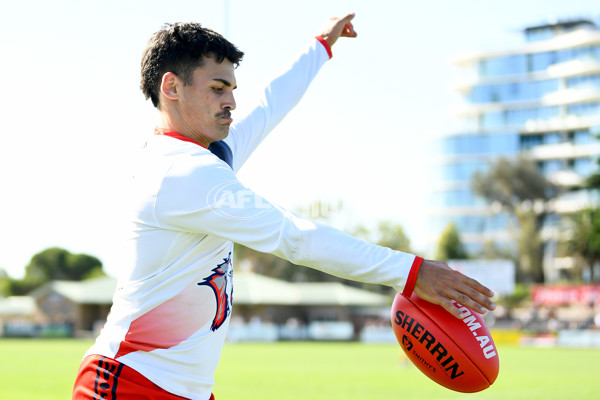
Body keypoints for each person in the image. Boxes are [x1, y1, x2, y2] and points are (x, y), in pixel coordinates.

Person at [72, 13, 495, 400]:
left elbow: (270, 106)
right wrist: (412, 271)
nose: (231, 102)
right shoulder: (182, 173)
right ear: (172, 87)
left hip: (184, 391)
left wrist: (321, 47)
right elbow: (295, 238)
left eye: (232, 89)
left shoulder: (203, 155)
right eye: (218, 89)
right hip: (129, 385)